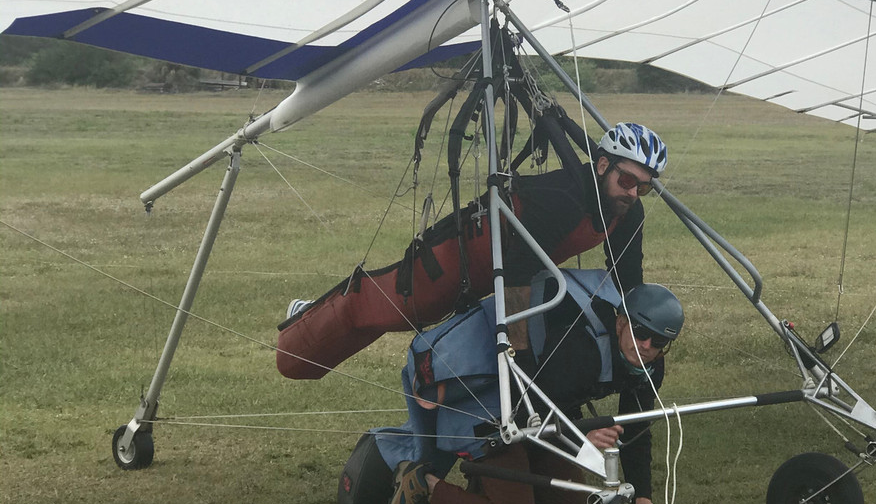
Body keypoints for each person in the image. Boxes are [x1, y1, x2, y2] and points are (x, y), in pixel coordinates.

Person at [275, 122, 668, 379]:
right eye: (627, 179)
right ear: (602, 165)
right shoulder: (564, 200)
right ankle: (304, 321)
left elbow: (627, 279)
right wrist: (521, 355)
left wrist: (640, 330)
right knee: (385, 311)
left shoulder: (627, 212)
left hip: (500, 269)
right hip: (458, 258)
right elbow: (515, 276)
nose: (633, 192)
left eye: (644, 186)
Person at [385, 280, 684, 504]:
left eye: (658, 341)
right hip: (493, 413)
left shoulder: (648, 367)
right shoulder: (584, 352)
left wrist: (643, 497)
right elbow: (526, 403)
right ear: (621, 323)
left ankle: (491, 489)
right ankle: (428, 486)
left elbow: (636, 430)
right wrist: (581, 437)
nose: (646, 345)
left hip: (541, 420)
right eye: (640, 331)